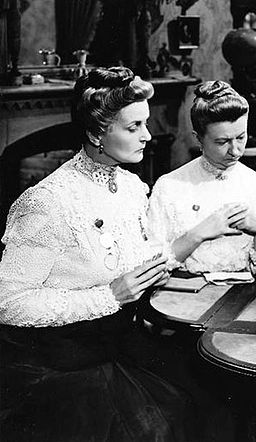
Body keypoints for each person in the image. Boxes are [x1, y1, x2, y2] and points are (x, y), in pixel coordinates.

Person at [0, 67, 196, 440]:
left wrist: (157, 268)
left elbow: (131, 258)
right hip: (63, 362)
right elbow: (8, 301)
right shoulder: (47, 202)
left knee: (201, 394)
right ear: (96, 134)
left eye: (146, 123)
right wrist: (108, 296)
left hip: (123, 343)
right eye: (133, 127)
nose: (148, 135)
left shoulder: (132, 187)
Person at [147, 80, 256, 275]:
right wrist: (197, 235)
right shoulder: (169, 186)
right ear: (198, 138)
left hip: (243, 296)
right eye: (222, 141)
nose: (235, 150)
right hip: (183, 298)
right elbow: (152, 264)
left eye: (241, 137)